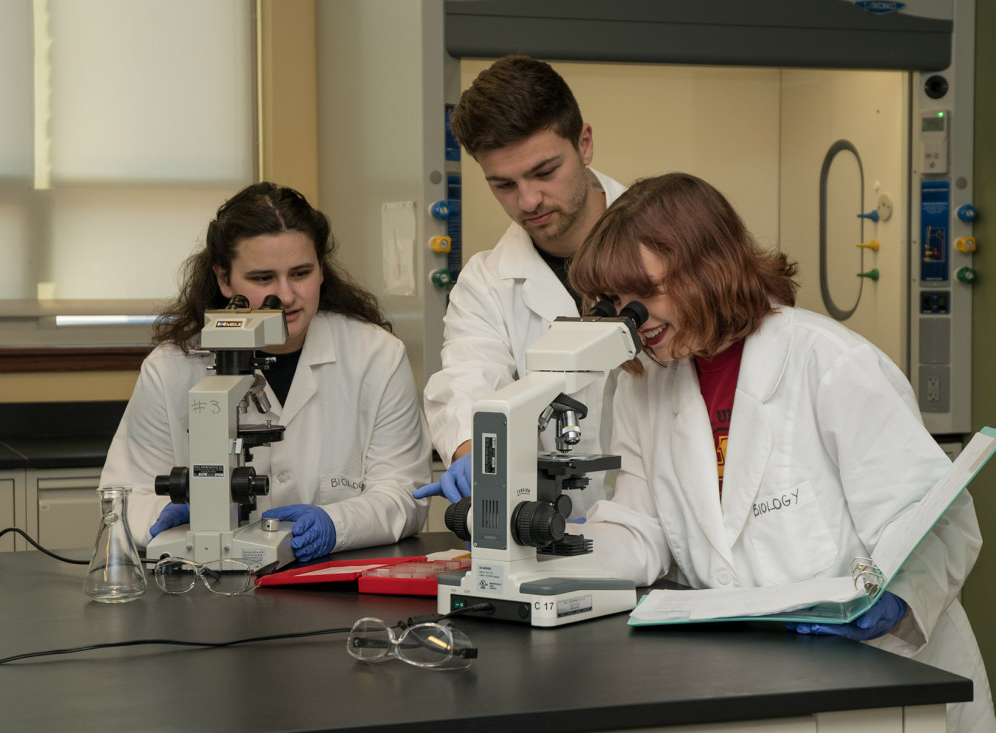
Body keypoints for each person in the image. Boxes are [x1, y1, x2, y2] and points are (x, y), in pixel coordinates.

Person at [566, 172, 996, 732]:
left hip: (885, 679)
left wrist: (896, 600)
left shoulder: (829, 362)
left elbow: (938, 525)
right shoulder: (643, 385)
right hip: (744, 680)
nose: (634, 319)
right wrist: (547, 564)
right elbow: (637, 526)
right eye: (617, 301)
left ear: (706, 267)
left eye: (646, 294)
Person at [99, 182, 430, 561]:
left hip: (326, 585)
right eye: (263, 279)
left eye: (301, 273)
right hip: (203, 581)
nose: (286, 296)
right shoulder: (172, 367)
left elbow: (404, 493)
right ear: (224, 280)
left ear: (323, 269)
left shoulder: (376, 357)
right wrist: (168, 518)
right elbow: (124, 496)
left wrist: (336, 524)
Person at [417, 55, 626, 514]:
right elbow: (468, 377)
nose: (528, 200)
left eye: (544, 172)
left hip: (672, 530)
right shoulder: (486, 282)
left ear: (584, 143)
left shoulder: (667, 243)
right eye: (503, 184)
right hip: (551, 529)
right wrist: (474, 451)